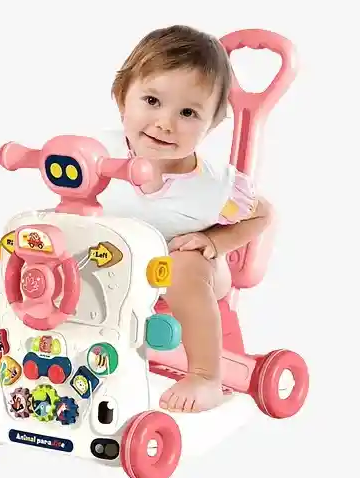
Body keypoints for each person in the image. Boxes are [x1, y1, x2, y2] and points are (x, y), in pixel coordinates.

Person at [97, 25, 274, 413]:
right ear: (122, 97)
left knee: (182, 266)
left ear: (212, 124)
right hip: (116, 267)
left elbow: (263, 214)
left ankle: (206, 376)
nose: (165, 122)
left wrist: (214, 242)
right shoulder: (98, 154)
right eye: (152, 100)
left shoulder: (211, 188)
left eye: (188, 113)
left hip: (190, 270)